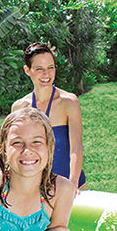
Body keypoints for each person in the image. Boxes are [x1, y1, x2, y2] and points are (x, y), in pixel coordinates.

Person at [11, 43, 86, 189]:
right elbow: (15, 151)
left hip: (69, 185)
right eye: (39, 69)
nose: (46, 74)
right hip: (35, 188)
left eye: (50, 67)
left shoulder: (68, 102)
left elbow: (76, 148)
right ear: (27, 70)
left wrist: (72, 183)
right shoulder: (20, 107)